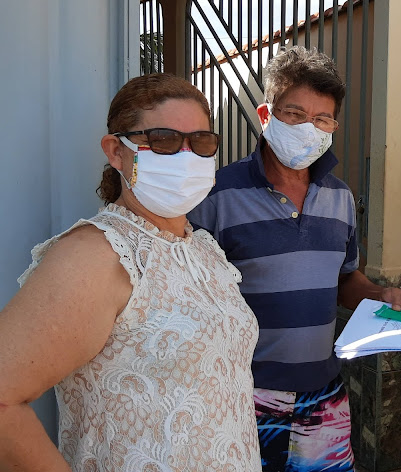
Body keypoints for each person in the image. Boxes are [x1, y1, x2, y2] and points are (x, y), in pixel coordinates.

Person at [0, 73, 261, 471]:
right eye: (163, 139)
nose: (186, 156)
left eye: (200, 141)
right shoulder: (96, 255)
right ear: (116, 152)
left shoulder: (203, 249)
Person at [188, 46, 401, 472]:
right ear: (265, 115)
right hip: (243, 395)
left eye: (323, 119)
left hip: (323, 396)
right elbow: (191, 299)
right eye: (294, 113)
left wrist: (380, 295)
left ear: (333, 126)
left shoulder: (340, 198)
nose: (310, 128)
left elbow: (345, 279)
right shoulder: (216, 195)